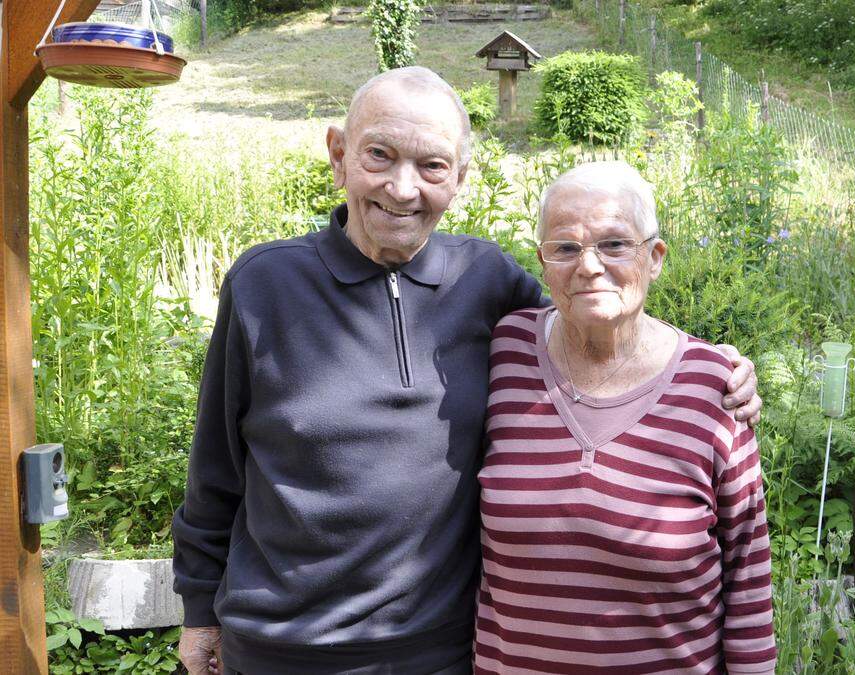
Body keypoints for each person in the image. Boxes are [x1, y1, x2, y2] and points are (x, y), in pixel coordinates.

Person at [172, 67, 762, 675]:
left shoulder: (486, 281)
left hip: (442, 651)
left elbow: (594, 312)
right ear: (339, 153)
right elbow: (215, 466)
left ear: (459, 179)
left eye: (431, 166)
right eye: (380, 156)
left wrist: (712, 370)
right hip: (282, 648)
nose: (403, 190)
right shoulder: (265, 284)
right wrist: (198, 609)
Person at [476, 161, 776, 674]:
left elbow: (748, 578)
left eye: (614, 244)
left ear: (654, 257)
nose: (588, 266)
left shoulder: (713, 388)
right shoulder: (505, 351)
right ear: (543, 263)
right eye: (566, 248)